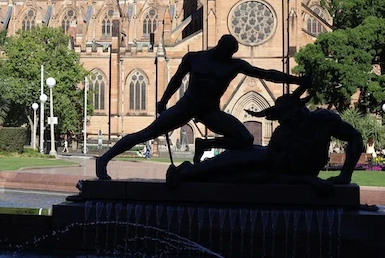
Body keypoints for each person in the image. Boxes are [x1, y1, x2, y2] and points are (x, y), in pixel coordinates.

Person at [93, 34, 310, 180]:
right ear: (220, 47)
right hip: (186, 107)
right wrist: (164, 100)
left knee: (245, 139)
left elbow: (267, 75)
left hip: (209, 111)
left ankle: (204, 144)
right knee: (146, 133)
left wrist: (297, 81)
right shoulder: (194, 58)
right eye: (227, 51)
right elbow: (176, 79)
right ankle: (103, 160)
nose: (229, 56)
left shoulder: (234, 65)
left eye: (231, 53)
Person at [166, 83, 364, 191]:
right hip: (268, 163)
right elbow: (276, 174)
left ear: (298, 108)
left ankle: (189, 171)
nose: (284, 121)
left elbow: (355, 137)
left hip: (276, 168)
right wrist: (307, 181)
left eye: (286, 116)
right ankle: (187, 173)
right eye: (281, 118)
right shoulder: (284, 132)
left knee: (238, 170)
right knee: (234, 162)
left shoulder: (323, 120)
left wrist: (345, 174)